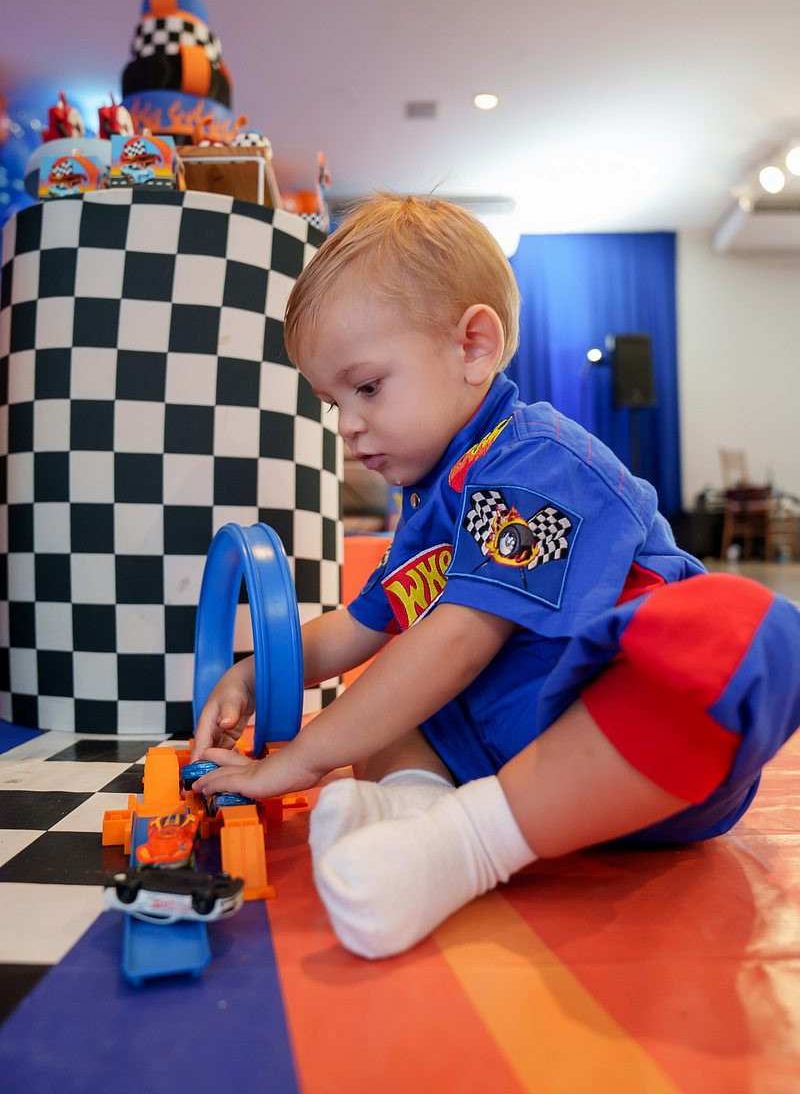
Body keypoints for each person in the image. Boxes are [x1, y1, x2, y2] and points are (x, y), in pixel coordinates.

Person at [192, 194, 800, 959]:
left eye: (367, 387)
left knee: (746, 631)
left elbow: (460, 640)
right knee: (388, 701)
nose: (346, 425)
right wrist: (257, 673)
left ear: (475, 347)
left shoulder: (536, 457)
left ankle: (465, 842)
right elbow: (359, 626)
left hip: (622, 759)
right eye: (330, 401)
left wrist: (303, 758)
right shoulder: (427, 508)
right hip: (495, 752)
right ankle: (408, 823)